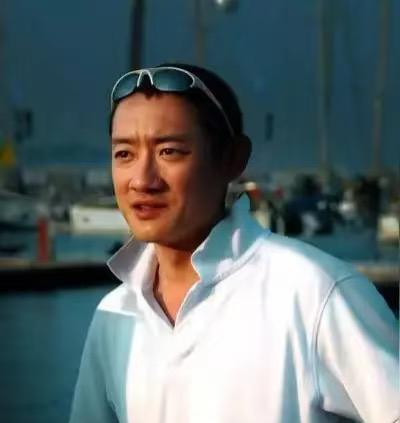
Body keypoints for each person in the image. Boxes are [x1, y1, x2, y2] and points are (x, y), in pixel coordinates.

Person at [69, 64, 399, 423]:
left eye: (169, 151)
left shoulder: (316, 294)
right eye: (124, 154)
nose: (142, 180)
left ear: (233, 159)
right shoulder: (116, 314)